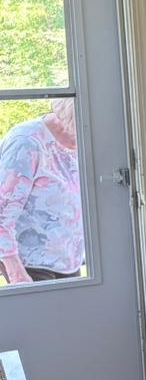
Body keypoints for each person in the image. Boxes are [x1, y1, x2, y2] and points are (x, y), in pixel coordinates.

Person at [0, 97, 84, 284]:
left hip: (68, 260)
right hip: (29, 263)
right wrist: (17, 274)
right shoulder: (26, 143)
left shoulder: (83, 139)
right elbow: (1, 215)